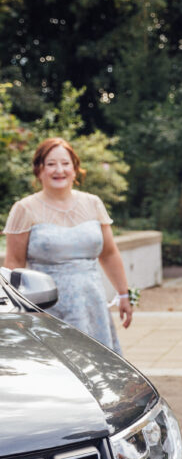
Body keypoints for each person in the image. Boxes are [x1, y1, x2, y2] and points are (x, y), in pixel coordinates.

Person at [3, 137, 132, 353]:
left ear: (75, 169)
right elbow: (14, 264)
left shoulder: (93, 204)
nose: (59, 170)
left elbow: (109, 254)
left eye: (65, 163)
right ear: (39, 170)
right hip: (47, 307)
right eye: (51, 164)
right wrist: (16, 312)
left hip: (92, 306)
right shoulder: (24, 208)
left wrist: (124, 294)